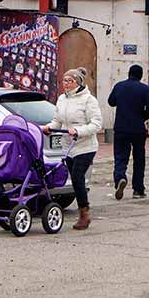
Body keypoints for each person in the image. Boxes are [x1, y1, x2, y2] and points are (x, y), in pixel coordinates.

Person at [41, 68, 102, 230]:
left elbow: (96, 124)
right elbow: (57, 121)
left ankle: (84, 213)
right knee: (74, 179)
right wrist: (48, 127)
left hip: (85, 146)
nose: (66, 84)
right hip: (68, 146)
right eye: (64, 81)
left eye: (70, 81)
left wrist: (79, 131)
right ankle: (83, 209)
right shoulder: (62, 99)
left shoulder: (88, 100)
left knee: (77, 176)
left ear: (78, 82)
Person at [108, 64, 149, 200]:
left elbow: (111, 102)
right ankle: (138, 190)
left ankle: (120, 178)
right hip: (137, 129)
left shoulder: (119, 86)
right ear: (140, 75)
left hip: (121, 128)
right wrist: (143, 116)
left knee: (120, 156)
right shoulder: (144, 89)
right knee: (139, 159)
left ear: (128, 73)